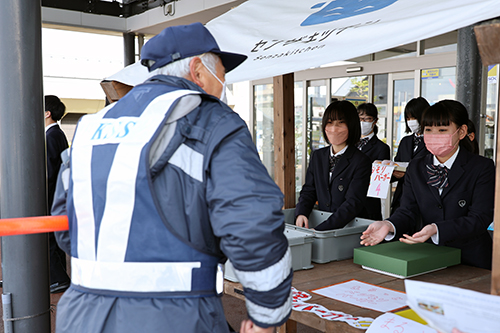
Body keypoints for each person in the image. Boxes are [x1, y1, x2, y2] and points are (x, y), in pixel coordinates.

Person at [53, 22, 292, 333]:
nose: (222, 85)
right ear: (197, 70)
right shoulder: (211, 120)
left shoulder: (92, 126)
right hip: (176, 315)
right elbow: (252, 225)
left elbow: (66, 225)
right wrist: (268, 317)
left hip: (81, 316)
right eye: (221, 73)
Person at [361, 100, 494, 270]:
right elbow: (408, 210)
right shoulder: (416, 166)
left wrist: (437, 229)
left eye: (442, 130)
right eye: (428, 130)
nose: (434, 135)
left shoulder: (482, 167)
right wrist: (389, 224)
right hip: (428, 256)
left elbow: (480, 218)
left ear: (461, 132)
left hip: (470, 260)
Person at [295, 100, 371, 231]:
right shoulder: (317, 156)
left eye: (340, 123)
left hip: (349, 228)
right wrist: (301, 213)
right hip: (321, 222)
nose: (334, 128)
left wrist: (324, 228)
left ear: (351, 125)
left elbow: (353, 203)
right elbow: (309, 190)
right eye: (330, 123)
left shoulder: (361, 160)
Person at [45, 95, 71, 294]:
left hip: (50, 194)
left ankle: (58, 278)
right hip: (57, 193)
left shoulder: (50, 136)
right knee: (55, 237)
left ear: (47, 114)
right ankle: (59, 277)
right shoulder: (57, 134)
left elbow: (49, 172)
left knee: (49, 238)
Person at [391, 97, 431, 214]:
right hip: (401, 198)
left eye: (414, 117)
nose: (411, 121)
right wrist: (391, 172)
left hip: (423, 198)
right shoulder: (405, 141)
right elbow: (398, 163)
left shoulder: (432, 141)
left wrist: (407, 173)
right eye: (408, 118)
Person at [356, 103, 390, 220]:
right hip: (346, 201)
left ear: (375, 121)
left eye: (367, 119)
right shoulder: (349, 144)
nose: (363, 122)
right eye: (360, 119)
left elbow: (380, 179)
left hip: (369, 203)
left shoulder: (382, 148)